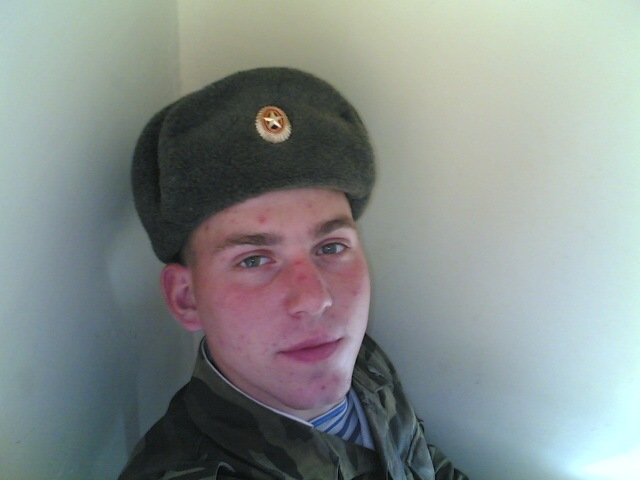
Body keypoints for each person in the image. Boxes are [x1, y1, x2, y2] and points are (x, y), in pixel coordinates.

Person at [120, 67, 468, 480]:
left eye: (331, 247)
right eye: (254, 259)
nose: (316, 299)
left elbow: (423, 461)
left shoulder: (357, 358)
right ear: (186, 298)